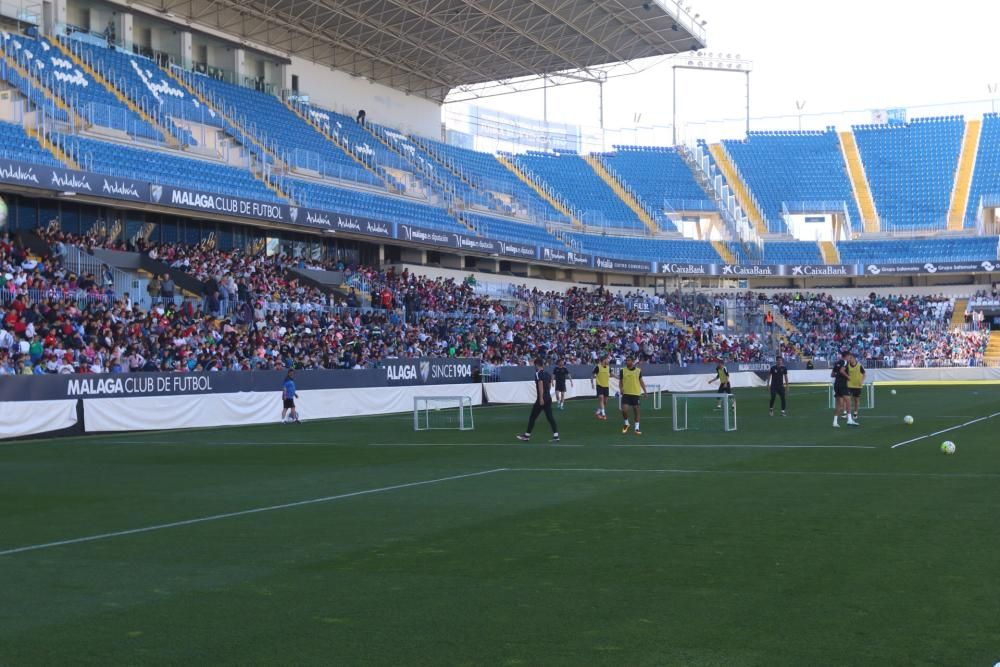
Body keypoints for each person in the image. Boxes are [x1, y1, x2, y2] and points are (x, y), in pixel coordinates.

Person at [517, 358, 559, 442]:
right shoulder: (547, 374)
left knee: (532, 417)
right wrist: (546, 394)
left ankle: (526, 436)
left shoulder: (537, 374)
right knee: (550, 417)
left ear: (537, 365)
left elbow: (540, 385)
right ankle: (556, 436)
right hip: (548, 398)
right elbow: (549, 386)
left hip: (542, 398)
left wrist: (540, 398)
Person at [619, 356, 647, 435]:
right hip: (626, 394)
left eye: (629, 360)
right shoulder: (622, 371)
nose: (627, 362)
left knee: (636, 411)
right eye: (626, 360)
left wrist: (645, 391)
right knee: (624, 410)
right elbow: (620, 382)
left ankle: (637, 428)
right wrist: (621, 389)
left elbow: (641, 381)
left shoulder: (638, 371)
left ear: (632, 361)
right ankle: (626, 423)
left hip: (635, 393)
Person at [831, 350, 856, 427]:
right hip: (842, 384)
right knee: (848, 401)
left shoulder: (837, 363)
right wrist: (848, 377)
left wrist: (839, 375)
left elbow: (832, 374)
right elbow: (842, 371)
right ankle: (849, 420)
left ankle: (835, 422)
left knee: (839, 404)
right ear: (846, 356)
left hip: (836, 385)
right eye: (849, 356)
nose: (850, 358)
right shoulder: (845, 362)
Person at [847, 352, 866, 424]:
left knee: (856, 400)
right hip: (849, 385)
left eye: (851, 358)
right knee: (848, 399)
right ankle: (847, 413)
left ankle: (855, 412)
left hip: (857, 385)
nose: (850, 359)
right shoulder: (847, 366)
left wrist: (862, 381)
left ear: (854, 359)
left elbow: (864, 374)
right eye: (849, 358)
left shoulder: (859, 365)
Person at [591, 355, 611, 420]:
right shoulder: (598, 367)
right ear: (604, 360)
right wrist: (592, 383)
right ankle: (603, 414)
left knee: (605, 402)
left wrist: (619, 378)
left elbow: (612, 374)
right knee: (601, 398)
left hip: (606, 386)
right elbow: (592, 375)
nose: (608, 360)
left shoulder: (608, 367)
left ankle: (598, 412)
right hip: (599, 385)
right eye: (607, 359)